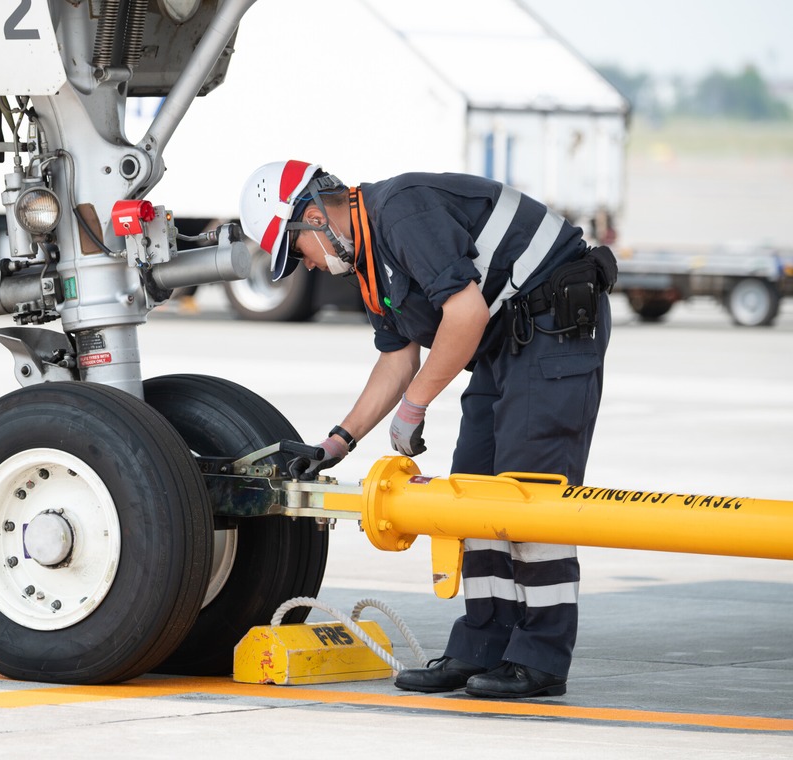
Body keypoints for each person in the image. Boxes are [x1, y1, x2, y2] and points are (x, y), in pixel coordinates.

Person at [238, 160, 617, 699]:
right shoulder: (369, 263)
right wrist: (336, 443)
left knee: (530, 496)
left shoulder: (402, 211)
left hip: (553, 324)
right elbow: (397, 360)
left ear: (315, 217)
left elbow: (464, 315)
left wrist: (414, 408)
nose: (310, 266)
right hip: (506, 340)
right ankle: (484, 646)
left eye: (299, 252)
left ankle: (540, 657)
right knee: (471, 496)